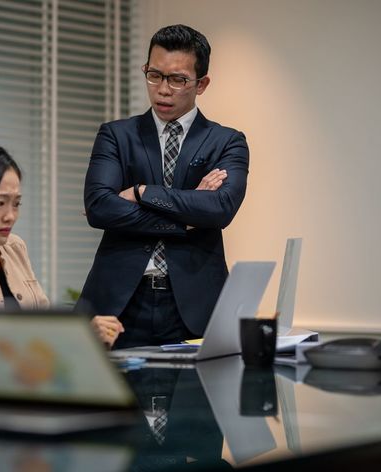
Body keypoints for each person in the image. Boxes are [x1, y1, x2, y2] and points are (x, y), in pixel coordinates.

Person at [78, 24, 249, 349]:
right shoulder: (116, 135)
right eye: (154, 75)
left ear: (201, 84)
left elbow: (219, 209)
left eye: (178, 80)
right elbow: (99, 207)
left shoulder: (227, 142)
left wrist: (142, 193)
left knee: (197, 385)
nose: (163, 90)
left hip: (195, 304)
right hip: (120, 304)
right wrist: (186, 217)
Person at [0, 144, 124, 347]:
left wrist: (83, 333)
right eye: (0, 203)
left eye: (16, 204)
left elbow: (45, 325)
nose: (10, 216)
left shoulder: (15, 247)